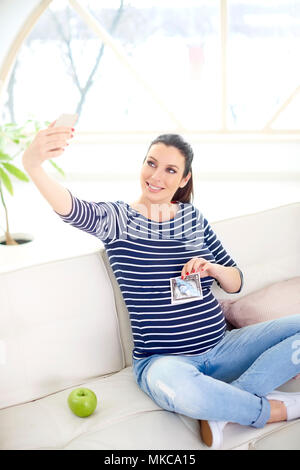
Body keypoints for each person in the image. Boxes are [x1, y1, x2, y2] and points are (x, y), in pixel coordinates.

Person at [22, 121, 300, 450]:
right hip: (164, 362)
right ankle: (271, 410)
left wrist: (212, 268)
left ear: (184, 179)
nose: (156, 176)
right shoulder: (119, 220)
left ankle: (222, 406)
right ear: (142, 165)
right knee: (180, 388)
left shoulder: (192, 219)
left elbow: (236, 279)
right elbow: (72, 209)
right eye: (151, 163)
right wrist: (33, 166)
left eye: (170, 170)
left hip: (223, 347)